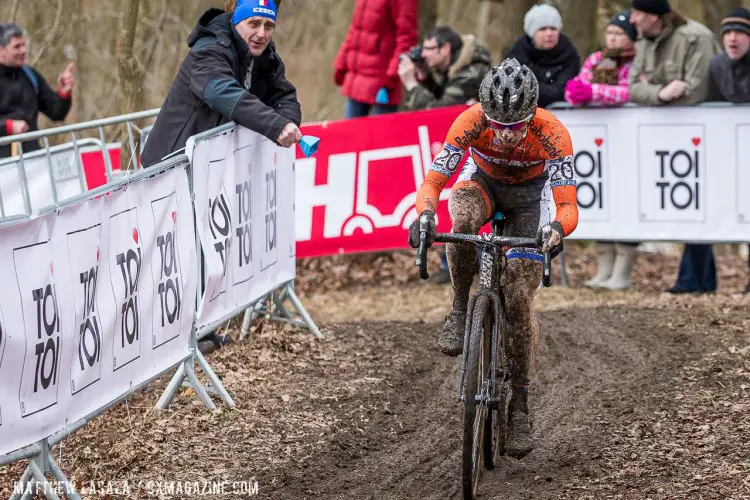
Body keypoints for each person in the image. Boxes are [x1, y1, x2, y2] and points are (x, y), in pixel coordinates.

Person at [408, 58, 578, 457]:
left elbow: (567, 205)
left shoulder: (553, 132)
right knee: (461, 214)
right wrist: (426, 214)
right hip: (482, 183)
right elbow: (433, 181)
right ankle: (460, 308)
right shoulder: (469, 121)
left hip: (528, 202)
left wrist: (554, 231)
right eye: (497, 126)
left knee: (518, 295)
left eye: (515, 127)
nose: (505, 136)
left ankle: (519, 405)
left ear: (531, 115)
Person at [627, 0, 720, 294]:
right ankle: (698, 280)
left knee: (700, 201)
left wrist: (653, 90)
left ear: (655, 16)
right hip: (668, 135)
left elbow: (695, 89)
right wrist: (663, 92)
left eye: (638, 13)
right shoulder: (643, 40)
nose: (632, 19)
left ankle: (695, 279)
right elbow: (633, 88)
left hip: (704, 133)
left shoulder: (697, 37)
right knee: (687, 202)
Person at [141, 0, 302, 168]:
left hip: (217, 169)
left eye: (268, 26)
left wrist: (287, 125)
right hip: (169, 171)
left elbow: (284, 97)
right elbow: (221, 93)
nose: (261, 34)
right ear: (237, 21)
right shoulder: (209, 49)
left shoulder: (266, 58)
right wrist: (274, 125)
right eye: (254, 24)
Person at [399, 25, 491, 283]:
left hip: (482, 150)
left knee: (471, 201)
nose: (424, 55)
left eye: (429, 49)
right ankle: (455, 263)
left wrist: (410, 83)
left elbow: (439, 109)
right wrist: (426, 78)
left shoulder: (473, 71)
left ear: (446, 49)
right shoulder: (454, 67)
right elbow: (444, 96)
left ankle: (481, 261)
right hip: (461, 145)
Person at [564, 11, 641, 289]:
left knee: (626, 198)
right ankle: (604, 267)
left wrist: (594, 93)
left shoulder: (637, 61)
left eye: (620, 34)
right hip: (599, 143)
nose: (613, 38)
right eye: (610, 32)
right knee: (603, 199)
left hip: (629, 141)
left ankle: (622, 271)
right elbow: (577, 89)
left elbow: (630, 91)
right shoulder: (595, 60)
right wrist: (576, 92)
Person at [708, 7, 750, 293]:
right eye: (728, 33)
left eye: (740, 33)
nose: (733, 39)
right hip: (731, 151)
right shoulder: (716, 65)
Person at [0, 23, 75, 159]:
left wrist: (64, 93)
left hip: (34, 163)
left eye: (24, 45)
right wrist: (7, 127)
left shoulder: (30, 75)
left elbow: (56, 113)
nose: (23, 51)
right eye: (17, 46)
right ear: (1, 50)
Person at [333, 0, 418, 119]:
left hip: (383, 85)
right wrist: (341, 63)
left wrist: (392, 77)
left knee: (382, 135)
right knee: (351, 134)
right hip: (357, 80)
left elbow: (406, 38)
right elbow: (356, 30)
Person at [505, 4, 581, 108]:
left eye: (553, 28)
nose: (549, 33)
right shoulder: (517, 54)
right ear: (532, 33)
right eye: (543, 29)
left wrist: (527, 87)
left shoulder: (568, 55)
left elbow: (562, 92)